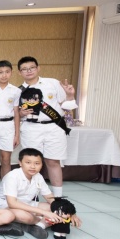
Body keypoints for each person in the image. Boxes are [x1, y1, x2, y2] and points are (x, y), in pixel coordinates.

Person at [18, 56, 77, 197]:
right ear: (20, 72)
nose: (29, 71)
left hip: (54, 127)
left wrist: (70, 96)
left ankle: (58, 196)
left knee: (53, 161)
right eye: (24, 69)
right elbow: (16, 113)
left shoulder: (53, 83)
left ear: (38, 68)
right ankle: (31, 196)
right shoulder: (19, 91)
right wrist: (21, 113)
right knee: (30, 162)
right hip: (31, 128)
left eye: (32, 68)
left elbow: (66, 105)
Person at [0, 148, 82, 239]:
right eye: (28, 162)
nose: (32, 166)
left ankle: (36, 225)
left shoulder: (38, 176)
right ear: (20, 163)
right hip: (6, 206)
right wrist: (44, 213)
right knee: (26, 217)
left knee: (55, 208)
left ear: (41, 164)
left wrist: (70, 212)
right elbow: (12, 203)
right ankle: (41, 222)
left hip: (27, 204)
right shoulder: (12, 176)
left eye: (37, 163)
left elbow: (50, 198)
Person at [0, 60, 21, 197]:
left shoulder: (16, 91)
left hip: (8, 126)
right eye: (0, 72)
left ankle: (5, 187)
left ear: (11, 73)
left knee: (6, 159)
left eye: (7, 72)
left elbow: (17, 113)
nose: (4, 75)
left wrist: (17, 134)